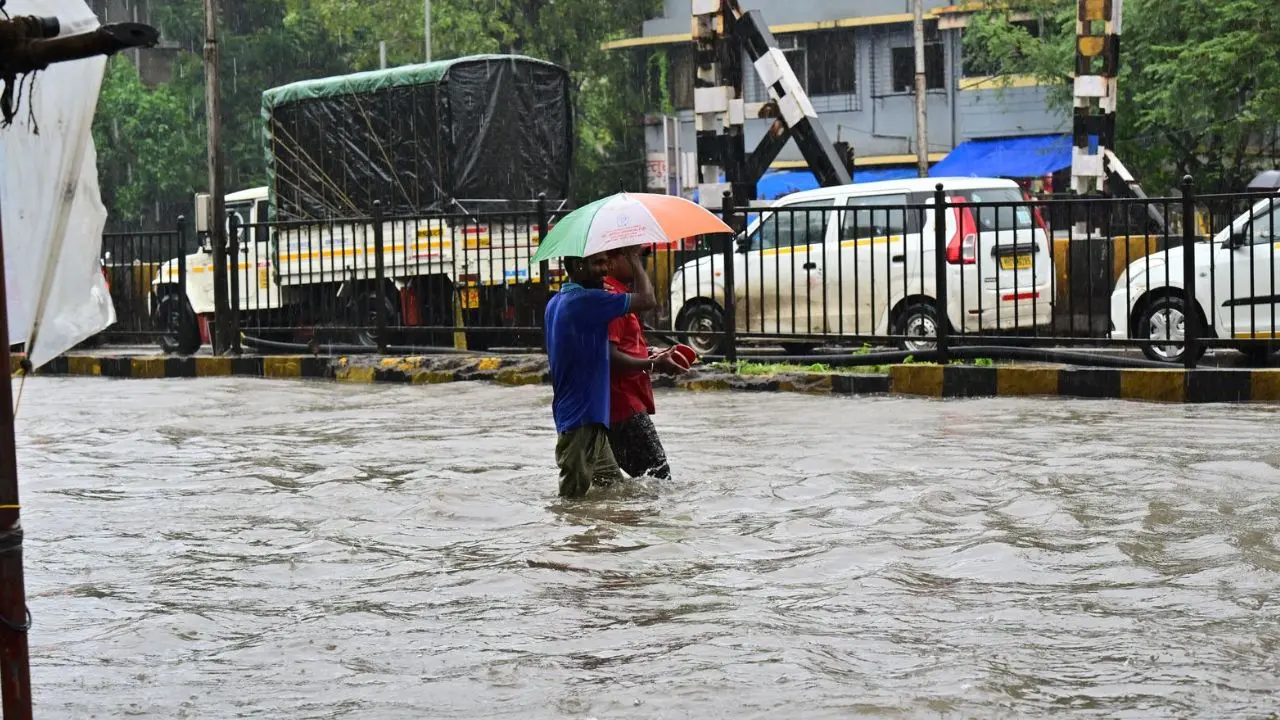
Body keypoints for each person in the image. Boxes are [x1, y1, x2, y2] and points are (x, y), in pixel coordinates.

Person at [544, 248, 659, 499]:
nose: (605, 269)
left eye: (606, 262)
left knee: (612, 490)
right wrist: (633, 258)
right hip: (582, 419)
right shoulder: (587, 301)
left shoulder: (557, 302)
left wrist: (647, 354)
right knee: (571, 501)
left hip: (583, 416)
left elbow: (591, 349)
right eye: (597, 263)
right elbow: (647, 299)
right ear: (577, 266)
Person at [603, 248, 686, 479]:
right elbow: (609, 355)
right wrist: (652, 365)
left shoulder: (620, 296)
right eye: (630, 256)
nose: (638, 262)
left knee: (639, 481)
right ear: (611, 262)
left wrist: (650, 353)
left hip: (622, 402)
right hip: (623, 404)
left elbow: (624, 345)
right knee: (659, 478)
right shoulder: (612, 299)